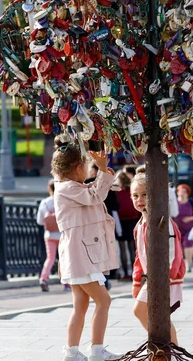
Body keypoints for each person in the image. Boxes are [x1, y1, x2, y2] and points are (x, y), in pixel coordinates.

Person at [51, 135, 120, 361]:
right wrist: (102, 170)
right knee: (104, 301)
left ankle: (72, 352)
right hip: (81, 255)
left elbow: (94, 192)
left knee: (80, 305)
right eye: (86, 167)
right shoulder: (67, 189)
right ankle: (97, 351)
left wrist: (103, 172)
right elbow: (95, 195)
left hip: (79, 254)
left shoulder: (69, 187)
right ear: (77, 167)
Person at [131, 166, 185, 345]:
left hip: (164, 277)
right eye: (135, 196)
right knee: (159, 317)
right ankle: (170, 348)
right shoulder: (140, 224)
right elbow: (140, 257)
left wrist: (166, 275)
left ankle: (168, 347)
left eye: (145, 195)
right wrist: (138, 281)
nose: (140, 200)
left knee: (141, 311)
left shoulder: (161, 221)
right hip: (151, 279)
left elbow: (172, 250)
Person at [86, 163, 121, 288]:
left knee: (95, 251)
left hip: (91, 221)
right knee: (105, 249)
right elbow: (116, 205)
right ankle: (105, 280)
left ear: (94, 170)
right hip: (106, 218)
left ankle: (101, 281)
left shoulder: (86, 184)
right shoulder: (108, 184)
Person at [36, 180, 70, 292]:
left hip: (49, 234)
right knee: (63, 259)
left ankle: (44, 279)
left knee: (50, 258)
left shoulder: (45, 203)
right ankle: (66, 283)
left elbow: (40, 221)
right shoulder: (64, 202)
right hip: (62, 234)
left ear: (49, 189)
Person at [115, 172, 139, 281]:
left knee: (123, 248)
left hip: (120, 221)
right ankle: (135, 273)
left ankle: (125, 273)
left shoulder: (116, 192)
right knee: (132, 247)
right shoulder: (131, 190)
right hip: (133, 220)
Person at [173, 184, 193, 272]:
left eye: (184, 192)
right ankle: (179, 265)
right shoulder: (174, 203)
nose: (182, 194)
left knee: (188, 244)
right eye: (181, 192)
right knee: (178, 247)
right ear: (177, 193)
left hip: (189, 228)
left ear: (188, 193)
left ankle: (188, 264)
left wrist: (191, 218)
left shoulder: (191, 202)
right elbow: (170, 215)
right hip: (177, 228)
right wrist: (174, 223)